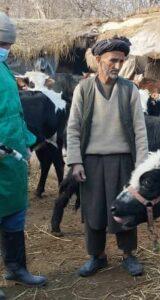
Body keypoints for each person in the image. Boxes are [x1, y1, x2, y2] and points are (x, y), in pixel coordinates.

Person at [66, 36, 148, 277]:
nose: (117, 65)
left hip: (123, 160)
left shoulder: (129, 90)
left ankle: (128, 255)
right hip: (91, 162)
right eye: (113, 60)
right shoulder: (84, 89)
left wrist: (141, 166)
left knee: (125, 208)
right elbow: (73, 127)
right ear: (98, 59)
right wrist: (76, 161)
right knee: (93, 210)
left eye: (121, 61)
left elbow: (140, 130)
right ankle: (97, 256)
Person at [0, 12, 47, 295]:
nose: (6, 50)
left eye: (7, 45)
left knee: (15, 215)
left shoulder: (6, 72)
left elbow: (13, 114)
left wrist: (27, 142)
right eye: (2, 43)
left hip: (13, 159)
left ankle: (16, 268)